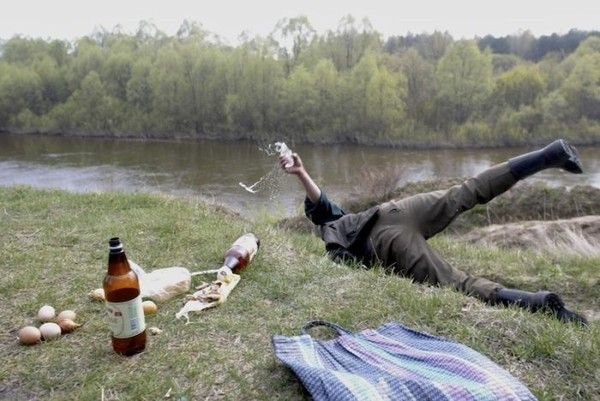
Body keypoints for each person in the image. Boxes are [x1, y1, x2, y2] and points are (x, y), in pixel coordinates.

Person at [280, 139, 587, 325]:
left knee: (459, 283)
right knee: (467, 190)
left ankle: (539, 304)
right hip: (395, 210)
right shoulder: (344, 218)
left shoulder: (332, 239)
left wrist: (303, 174)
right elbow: (320, 200)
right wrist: (302, 172)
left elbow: (321, 208)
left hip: (387, 242)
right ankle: (549, 154)